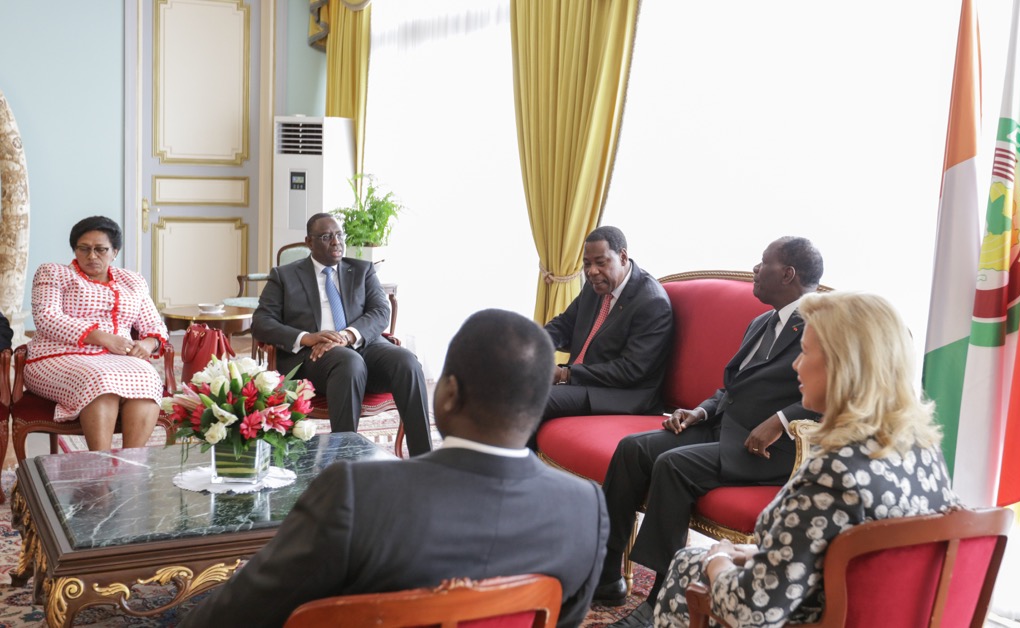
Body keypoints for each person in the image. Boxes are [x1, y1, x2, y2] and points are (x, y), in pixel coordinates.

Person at [180, 309, 609, 628]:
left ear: (445, 395)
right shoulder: (585, 510)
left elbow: (239, 615)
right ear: (538, 405)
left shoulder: (356, 493)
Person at [649, 292, 961, 628]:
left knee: (689, 564)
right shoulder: (923, 450)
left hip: (814, 617)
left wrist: (719, 557)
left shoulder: (834, 473)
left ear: (843, 365)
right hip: (884, 612)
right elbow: (851, 556)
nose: (796, 365)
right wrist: (757, 555)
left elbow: (749, 610)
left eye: (806, 352)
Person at [596, 237, 824, 620]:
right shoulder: (761, 322)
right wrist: (698, 413)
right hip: (724, 427)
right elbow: (731, 388)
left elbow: (836, 390)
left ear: (788, 274)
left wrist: (781, 421)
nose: (754, 269)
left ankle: (659, 603)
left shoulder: (822, 323)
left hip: (769, 448)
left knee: (673, 464)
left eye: (762, 262)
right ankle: (605, 575)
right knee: (633, 449)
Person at [252, 212, 433, 456]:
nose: (336, 242)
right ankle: (346, 461)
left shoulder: (362, 270)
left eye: (339, 235)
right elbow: (261, 322)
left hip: (363, 345)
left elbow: (380, 311)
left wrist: (347, 335)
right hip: (313, 358)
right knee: (348, 362)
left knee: (407, 362)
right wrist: (308, 337)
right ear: (309, 242)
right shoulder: (284, 276)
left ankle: (425, 458)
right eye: (326, 237)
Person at [23, 216, 168, 451]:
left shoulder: (132, 281)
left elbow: (154, 324)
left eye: (101, 250)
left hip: (120, 359)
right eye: (84, 249)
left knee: (148, 378)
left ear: (114, 251)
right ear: (75, 249)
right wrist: (103, 338)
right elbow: (47, 319)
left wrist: (149, 343)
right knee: (99, 380)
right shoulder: (53, 273)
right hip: (56, 356)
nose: (92, 256)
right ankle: (100, 468)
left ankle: (129, 467)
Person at [541, 225, 674, 421]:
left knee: (536, 397)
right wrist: (534, 346)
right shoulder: (596, 284)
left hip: (621, 394)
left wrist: (564, 375)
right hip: (584, 380)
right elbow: (564, 324)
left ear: (622, 257)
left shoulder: (651, 302)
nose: (592, 271)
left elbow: (630, 370)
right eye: (587, 264)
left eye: (600, 262)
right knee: (518, 384)